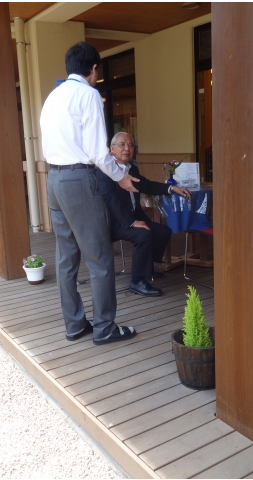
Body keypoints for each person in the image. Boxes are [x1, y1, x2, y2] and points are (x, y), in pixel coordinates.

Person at [39, 42, 140, 346]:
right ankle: (105, 328)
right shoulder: (89, 94)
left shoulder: (53, 97)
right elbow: (98, 151)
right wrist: (122, 177)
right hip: (79, 180)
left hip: (54, 179)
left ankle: (74, 325)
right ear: (94, 69)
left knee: (66, 258)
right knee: (100, 259)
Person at [96, 132, 192, 297]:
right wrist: (132, 223)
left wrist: (171, 188)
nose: (127, 149)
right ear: (112, 148)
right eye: (122, 144)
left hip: (133, 218)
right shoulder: (105, 171)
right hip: (113, 222)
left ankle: (147, 269)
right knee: (143, 235)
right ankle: (136, 281)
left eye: (131, 145)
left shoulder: (131, 169)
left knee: (163, 231)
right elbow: (110, 200)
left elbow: (147, 185)